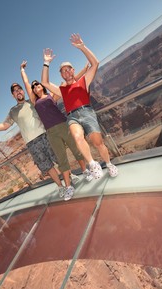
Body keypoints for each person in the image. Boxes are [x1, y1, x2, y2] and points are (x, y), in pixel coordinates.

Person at [41, 33, 118, 179]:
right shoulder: (61, 90)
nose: (66, 71)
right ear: (62, 75)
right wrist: (46, 62)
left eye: (68, 68)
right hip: (72, 117)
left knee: (98, 143)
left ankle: (109, 164)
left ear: (73, 70)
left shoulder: (83, 81)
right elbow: (44, 82)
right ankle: (92, 163)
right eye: (63, 70)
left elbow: (95, 63)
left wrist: (82, 47)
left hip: (87, 112)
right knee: (77, 137)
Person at [0, 83, 66, 199]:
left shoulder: (33, 102)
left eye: (19, 89)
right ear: (12, 95)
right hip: (32, 144)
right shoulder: (13, 111)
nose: (18, 91)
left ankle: (69, 178)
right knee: (48, 166)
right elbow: (4, 126)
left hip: (46, 135)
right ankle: (61, 186)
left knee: (59, 159)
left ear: (23, 91)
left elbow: (49, 101)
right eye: (15, 91)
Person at [20, 61, 93, 201]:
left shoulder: (52, 96)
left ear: (42, 86)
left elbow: (69, 82)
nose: (35, 87)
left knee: (76, 149)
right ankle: (68, 186)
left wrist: (84, 69)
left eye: (38, 84)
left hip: (64, 125)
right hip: (51, 133)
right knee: (61, 159)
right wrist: (22, 70)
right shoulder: (35, 102)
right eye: (34, 86)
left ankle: (85, 171)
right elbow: (26, 83)